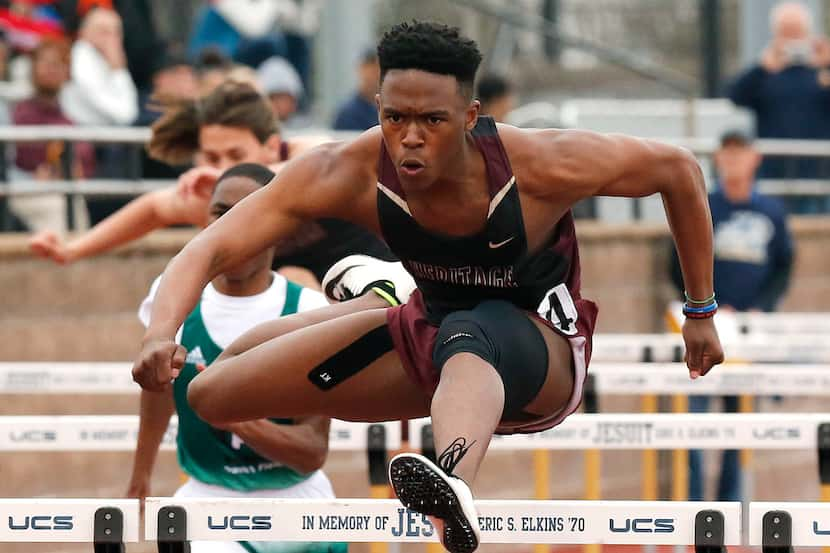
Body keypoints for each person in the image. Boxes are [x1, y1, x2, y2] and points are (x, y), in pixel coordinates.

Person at [131, 21, 724, 553]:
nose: (410, 138)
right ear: (378, 107)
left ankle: (453, 489)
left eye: (432, 121)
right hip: (427, 338)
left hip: (540, 353)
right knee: (212, 394)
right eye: (396, 119)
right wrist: (162, 332)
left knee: (470, 331)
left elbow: (679, 171)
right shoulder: (348, 171)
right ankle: (378, 306)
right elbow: (209, 246)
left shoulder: (539, 165)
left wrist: (701, 308)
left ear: (469, 117)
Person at [128, 162, 345, 553]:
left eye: (250, 211)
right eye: (221, 212)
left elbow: (311, 451)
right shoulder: (172, 297)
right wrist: (140, 474)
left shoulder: (307, 311)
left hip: (297, 506)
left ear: (282, 227)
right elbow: (157, 390)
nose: (233, 225)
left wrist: (237, 420)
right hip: (207, 500)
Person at [29, 79, 392, 283]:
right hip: (292, 310)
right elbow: (154, 208)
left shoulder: (306, 153)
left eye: (235, 156)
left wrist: (228, 176)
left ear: (269, 146)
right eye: (212, 157)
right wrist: (72, 249)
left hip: (381, 278)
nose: (221, 168)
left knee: (298, 279)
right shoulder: (215, 193)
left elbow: (321, 162)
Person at [670, 130, 793, 502]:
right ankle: (691, 511)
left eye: (742, 154)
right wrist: (702, 306)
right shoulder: (704, 206)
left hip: (748, 329)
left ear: (754, 158)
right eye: (729, 154)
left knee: (739, 428)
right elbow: (675, 262)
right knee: (692, 426)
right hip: (706, 323)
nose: (735, 161)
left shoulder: (770, 211)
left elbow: (784, 265)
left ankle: (727, 509)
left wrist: (762, 306)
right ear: (719, 159)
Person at [726, 1, 830, 214]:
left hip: (820, 180)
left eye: (797, 32)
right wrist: (762, 67)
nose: (792, 40)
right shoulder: (765, 76)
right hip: (771, 179)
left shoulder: (822, 77)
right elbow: (734, 95)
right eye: (786, 33)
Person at [10, 38, 95, 232]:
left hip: (63, 188)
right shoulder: (18, 113)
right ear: (33, 68)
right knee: (56, 206)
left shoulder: (69, 117)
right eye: (46, 63)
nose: (51, 70)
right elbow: (17, 161)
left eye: (58, 64)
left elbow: (85, 163)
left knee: (74, 203)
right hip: (26, 188)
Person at [332, 48, 380, 131]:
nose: (376, 75)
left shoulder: (392, 109)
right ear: (361, 69)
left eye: (378, 70)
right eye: (372, 70)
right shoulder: (348, 113)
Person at [257, 55, 304, 123]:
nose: (280, 105)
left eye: (284, 98)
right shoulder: (252, 130)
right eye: (273, 98)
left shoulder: (307, 130)